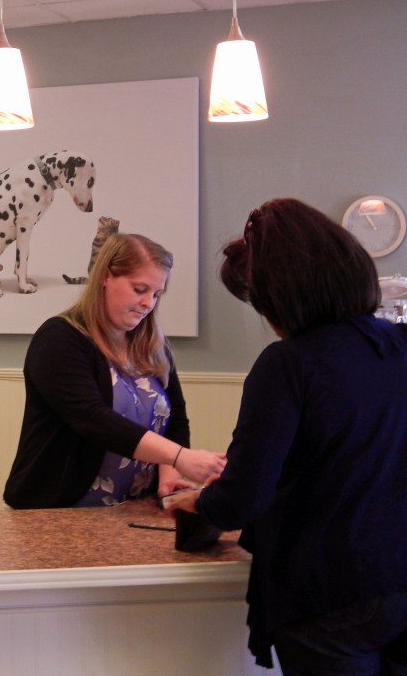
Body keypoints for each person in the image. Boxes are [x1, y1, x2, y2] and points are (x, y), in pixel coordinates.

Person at [166, 198, 407, 674]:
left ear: (284, 294)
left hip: (331, 591)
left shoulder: (288, 365)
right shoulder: (399, 346)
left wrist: (202, 503)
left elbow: (244, 495)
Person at [3, 232, 227, 509]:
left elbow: (175, 420)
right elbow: (94, 420)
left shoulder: (152, 345)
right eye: (140, 289)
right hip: (57, 510)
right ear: (106, 277)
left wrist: (169, 476)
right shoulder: (59, 339)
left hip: (130, 509)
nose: (149, 303)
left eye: (156, 294)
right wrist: (180, 456)